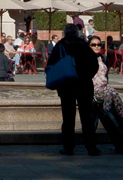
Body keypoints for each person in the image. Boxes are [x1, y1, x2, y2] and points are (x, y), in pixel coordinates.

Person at [47, 23, 99, 155]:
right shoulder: (84, 45)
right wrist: (87, 76)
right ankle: (91, 147)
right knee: (87, 117)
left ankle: (68, 147)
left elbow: (51, 64)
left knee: (68, 117)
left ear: (65, 33)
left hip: (66, 85)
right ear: (77, 32)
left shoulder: (59, 46)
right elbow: (94, 64)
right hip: (84, 85)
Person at [87, 35, 123, 153]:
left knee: (115, 97)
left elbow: (106, 76)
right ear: (89, 46)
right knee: (96, 118)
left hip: (105, 87)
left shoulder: (103, 58)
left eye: (98, 44)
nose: (97, 47)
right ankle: (92, 146)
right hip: (93, 90)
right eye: (93, 44)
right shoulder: (85, 58)